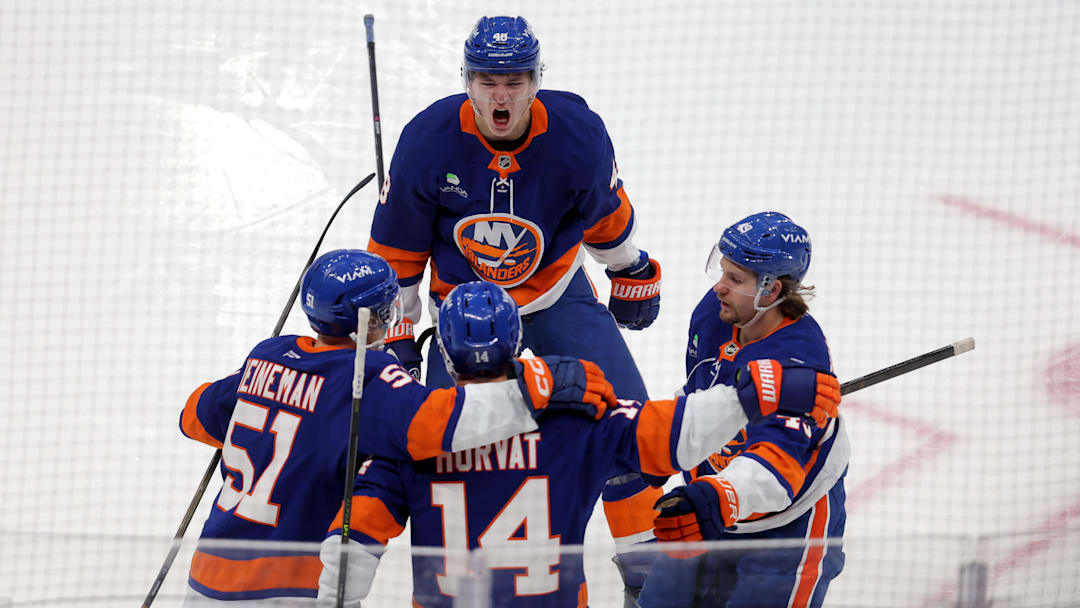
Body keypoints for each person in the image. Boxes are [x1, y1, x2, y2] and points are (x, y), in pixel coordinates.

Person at [316, 281, 841, 607]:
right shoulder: (577, 424)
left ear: (448, 361)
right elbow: (676, 434)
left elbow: (353, 545)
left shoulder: (414, 435)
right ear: (516, 347)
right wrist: (750, 397)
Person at [177, 250, 620, 606]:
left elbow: (194, 416)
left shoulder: (269, 354)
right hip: (292, 588)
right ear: (372, 317)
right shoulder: (368, 379)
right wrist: (539, 385)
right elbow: (445, 423)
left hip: (206, 576)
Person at [367, 15, 660, 404]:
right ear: (467, 81)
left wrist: (628, 266)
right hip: (463, 303)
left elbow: (603, 213)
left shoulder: (578, 133)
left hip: (554, 291)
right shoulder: (427, 140)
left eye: (514, 83)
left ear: (536, 81)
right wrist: (395, 323)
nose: (500, 97)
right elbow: (399, 242)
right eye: (488, 83)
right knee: (444, 433)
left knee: (628, 413)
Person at [637, 212, 850, 608]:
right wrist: (663, 441)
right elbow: (699, 389)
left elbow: (778, 467)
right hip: (711, 505)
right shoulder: (717, 313)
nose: (719, 286)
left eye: (734, 279)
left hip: (786, 526)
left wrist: (716, 498)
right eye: (722, 271)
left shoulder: (799, 358)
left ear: (772, 289)